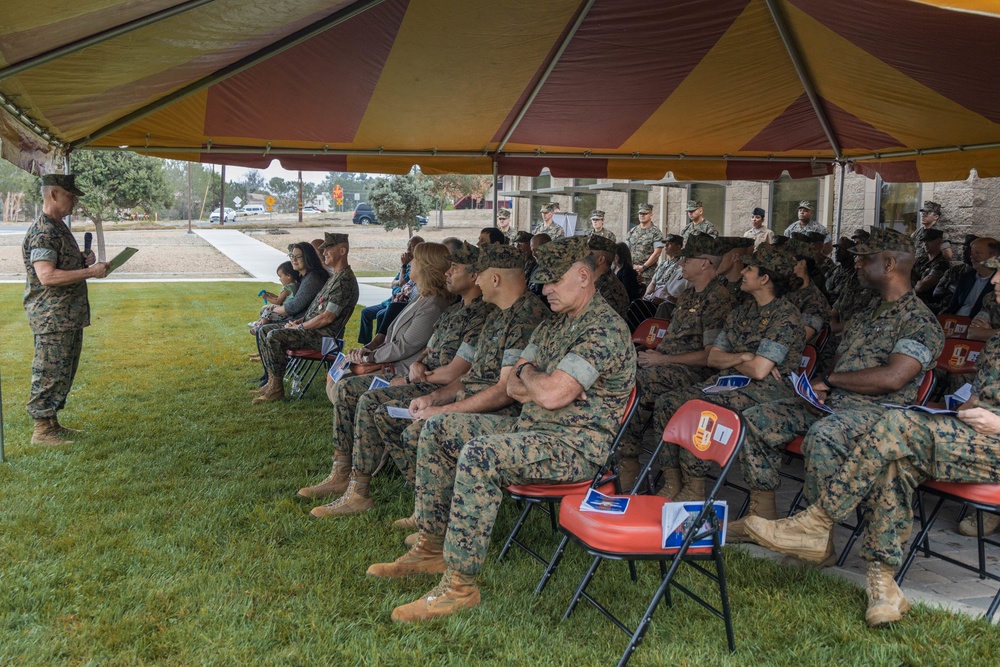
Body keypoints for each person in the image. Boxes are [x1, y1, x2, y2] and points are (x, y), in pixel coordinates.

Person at [367, 237, 636, 623]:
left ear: (582, 276)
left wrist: (537, 381)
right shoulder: (556, 323)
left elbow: (555, 394)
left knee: (480, 454)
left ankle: (460, 588)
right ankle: (431, 548)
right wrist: (535, 380)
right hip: (531, 429)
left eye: (553, 282)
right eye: (541, 282)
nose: (544, 290)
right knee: (440, 428)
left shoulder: (603, 329)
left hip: (574, 448)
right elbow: (513, 385)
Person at [744, 256, 1000, 625]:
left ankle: (816, 523)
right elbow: (980, 398)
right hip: (973, 440)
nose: (992, 282)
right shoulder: (996, 343)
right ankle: (884, 585)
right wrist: (965, 410)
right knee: (895, 457)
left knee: (896, 426)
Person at [732, 227, 944, 544]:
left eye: (864, 259)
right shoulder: (865, 315)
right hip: (834, 405)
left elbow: (893, 377)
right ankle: (761, 518)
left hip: (879, 415)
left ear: (888, 264)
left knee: (824, 436)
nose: (855, 264)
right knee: (757, 419)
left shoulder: (919, 320)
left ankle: (817, 540)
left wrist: (830, 380)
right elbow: (843, 364)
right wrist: (820, 387)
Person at [298, 241, 496, 511]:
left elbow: (453, 369)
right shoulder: (454, 309)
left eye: (455, 268)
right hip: (420, 376)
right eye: (447, 268)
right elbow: (428, 347)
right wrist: (420, 362)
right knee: (350, 390)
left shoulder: (470, 312)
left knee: (367, 399)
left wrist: (410, 372)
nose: (448, 273)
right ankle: (343, 472)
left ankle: (360, 488)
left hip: (433, 385)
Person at [646, 242, 806, 502]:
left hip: (767, 391)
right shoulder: (742, 311)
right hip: (728, 382)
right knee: (668, 403)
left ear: (765, 278)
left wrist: (735, 360)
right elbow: (713, 357)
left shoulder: (785, 316)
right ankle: (674, 481)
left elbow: (759, 370)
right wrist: (743, 356)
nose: (742, 272)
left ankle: (694, 488)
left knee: (699, 407)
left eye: (750, 268)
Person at [617, 233, 734, 492]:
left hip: (693, 373)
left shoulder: (718, 298)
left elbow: (710, 356)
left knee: (634, 383)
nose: (681, 263)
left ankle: (631, 463)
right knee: (618, 375)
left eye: (687, 258)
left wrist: (662, 359)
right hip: (666, 364)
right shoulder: (691, 294)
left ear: (705, 263)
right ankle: (624, 459)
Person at [22, 174, 110, 445]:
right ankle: (41, 431)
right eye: (70, 195)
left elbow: (60, 265)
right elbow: (46, 276)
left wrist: (83, 260)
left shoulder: (58, 227)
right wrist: (89, 271)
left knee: (62, 372)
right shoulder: (44, 231)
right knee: (49, 373)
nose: (74, 200)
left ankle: (52, 425)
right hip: (52, 317)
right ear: (53, 195)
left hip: (67, 315)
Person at [252, 233, 358, 403]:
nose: (323, 254)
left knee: (274, 336)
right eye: (322, 251)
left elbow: (327, 318)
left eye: (328, 250)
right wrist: (299, 322)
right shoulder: (335, 278)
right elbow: (316, 310)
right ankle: (272, 383)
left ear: (342, 251)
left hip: (324, 337)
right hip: (313, 330)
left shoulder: (344, 280)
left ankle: (277, 390)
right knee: (265, 330)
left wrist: (300, 327)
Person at [358, 236, 423, 344]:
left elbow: (403, 284)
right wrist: (400, 281)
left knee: (380, 315)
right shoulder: (408, 265)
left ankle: (379, 344)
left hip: (400, 302)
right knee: (366, 312)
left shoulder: (413, 267)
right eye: (408, 246)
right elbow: (393, 284)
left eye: (412, 247)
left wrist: (403, 266)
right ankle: (366, 343)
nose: (408, 249)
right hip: (390, 300)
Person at [625, 233, 686, 328]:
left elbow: (675, 288)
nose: (665, 246)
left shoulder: (682, 264)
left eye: (669, 244)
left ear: (678, 246)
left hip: (665, 300)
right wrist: (646, 296)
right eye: (665, 243)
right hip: (654, 297)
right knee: (636, 304)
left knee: (637, 307)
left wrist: (662, 298)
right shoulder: (663, 264)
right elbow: (653, 283)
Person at [785, 235, 832, 343]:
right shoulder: (789, 290)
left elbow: (800, 339)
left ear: (802, 263)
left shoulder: (815, 301)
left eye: (788, 260)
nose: (783, 265)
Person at [941, 237, 1000, 317]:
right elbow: (952, 307)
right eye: (972, 253)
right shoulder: (966, 277)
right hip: (955, 323)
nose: (972, 257)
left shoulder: (997, 282)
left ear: (993, 256)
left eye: (978, 253)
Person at [248, 261, 299, 335]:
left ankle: (258, 327)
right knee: (267, 308)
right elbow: (282, 298)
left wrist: (266, 297)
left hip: (286, 314)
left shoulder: (287, 288)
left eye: (280, 276)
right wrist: (271, 295)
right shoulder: (295, 285)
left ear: (288, 276)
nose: (280, 279)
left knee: (267, 314)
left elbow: (278, 301)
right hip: (286, 310)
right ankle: (259, 322)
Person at [588, 233, 629, 319]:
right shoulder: (592, 279)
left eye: (589, 254)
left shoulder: (611, 290)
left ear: (600, 260)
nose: (584, 257)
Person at [627, 203, 664, 286]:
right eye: (640, 213)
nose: (642, 215)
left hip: (647, 274)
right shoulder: (632, 231)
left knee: (645, 297)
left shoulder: (656, 232)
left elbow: (657, 254)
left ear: (651, 215)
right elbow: (626, 250)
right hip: (632, 271)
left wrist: (642, 267)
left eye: (645, 213)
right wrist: (632, 266)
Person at [913, 228, 951, 305]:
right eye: (924, 241)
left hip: (928, 303)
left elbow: (922, 287)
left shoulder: (942, 263)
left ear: (939, 242)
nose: (925, 244)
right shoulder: (921, 260)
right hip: (914, 299)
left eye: (929, 241)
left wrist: (915, 284)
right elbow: (906, 277)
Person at [913, 200, 944, 265]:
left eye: (927, 213)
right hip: (916, 268)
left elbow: (948, 255)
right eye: (922, 213)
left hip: (931, 269)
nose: (923, 215)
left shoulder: (939, 233)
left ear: (936, 217)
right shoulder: (917, 233)